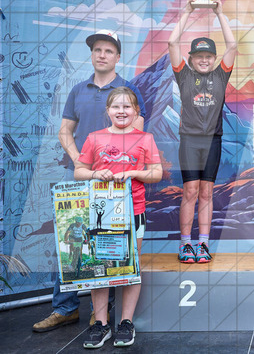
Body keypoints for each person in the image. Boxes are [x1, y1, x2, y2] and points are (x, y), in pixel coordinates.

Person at [33, 30, 146, 332]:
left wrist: (110, 165)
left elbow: (137, 133)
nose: (102, 55)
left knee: (109, 244)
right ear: (92, 54)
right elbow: (65, 131)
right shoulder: (77, 90)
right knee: (71, 242)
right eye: (97, 50)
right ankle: (65, 308)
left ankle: (102, 313)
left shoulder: (128, 90)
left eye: (108, 50)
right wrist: (81, 160)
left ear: (118, 56)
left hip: (114, 182)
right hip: (82, 176)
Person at [75, 87, 162, 348]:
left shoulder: (145, 139)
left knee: (131, 266)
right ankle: (101, 324)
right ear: (108, 111)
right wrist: (95, 174)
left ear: (136, 111)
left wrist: (133, 173)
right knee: (99, 267)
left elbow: (156, 173)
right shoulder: (94, 138)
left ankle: (126, 322)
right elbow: (79, 171)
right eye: (116, 106)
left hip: (134, 211)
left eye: (127, 107)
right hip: (100, 214)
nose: (121, 111)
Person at [168, 0, 237, 263]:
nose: (204, 60)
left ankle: (203, 244)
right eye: (199, 56)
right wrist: (186, 11)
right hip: (189, 140)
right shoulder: (184, 76)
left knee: (207, 192)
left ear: (214, 58)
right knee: (190, 191)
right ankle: (186, 244)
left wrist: (219, 13)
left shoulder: (221, 75)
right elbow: (172, 43)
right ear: (192, 59)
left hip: (213, 141)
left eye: (209, 56)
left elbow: (232, 45)